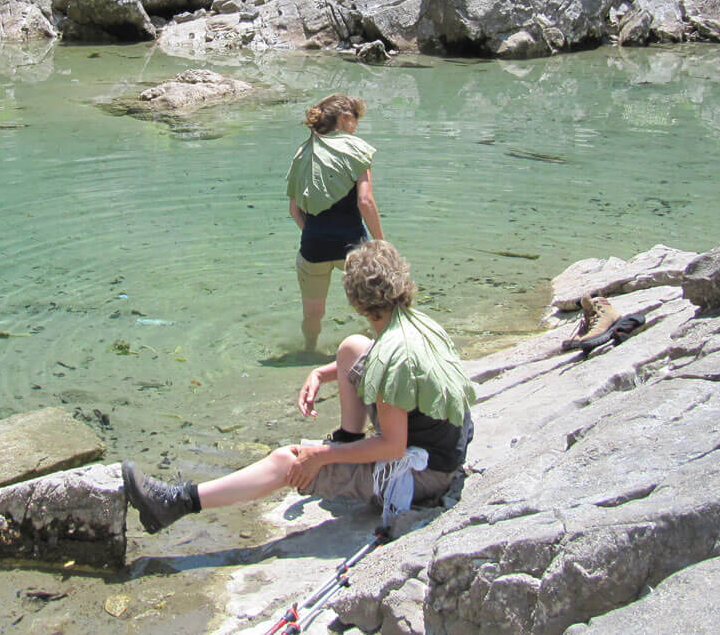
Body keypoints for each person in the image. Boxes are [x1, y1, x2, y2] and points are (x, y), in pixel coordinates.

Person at [122, 241, 476, 533]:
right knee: (351, 348)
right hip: (443, 446)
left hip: (423, 476)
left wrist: (321, 456)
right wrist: (326, 372)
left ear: (357, 302)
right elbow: (381, 374)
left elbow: (393, 447)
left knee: (286, 461)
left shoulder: (390, 361)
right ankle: (347, 444)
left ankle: (175, 503)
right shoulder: (414, 323)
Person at [285, 93, 383, 352]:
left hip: (313, 246)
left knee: (312, 313)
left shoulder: (302, 153)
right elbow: (365, 202)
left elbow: (294, 210)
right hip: (352, 244)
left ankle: (309, 350)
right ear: (343, 118)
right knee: (376, 306)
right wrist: (381, 244)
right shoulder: (356, 148)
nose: (357, 125)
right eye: (356, 119)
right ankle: (377, 351)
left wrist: (317, 233)